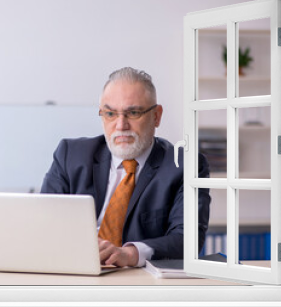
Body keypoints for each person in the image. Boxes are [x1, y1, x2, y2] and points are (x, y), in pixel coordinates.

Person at [41, 67, 210, 268]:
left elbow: (187, 239)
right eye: (110, 113)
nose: (121, 125)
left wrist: (131, 254)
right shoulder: (70, 155)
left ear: (156, 116)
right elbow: (43, 223)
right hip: (71, 270)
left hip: (139, 283)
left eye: (133, 113)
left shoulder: (184, 166)